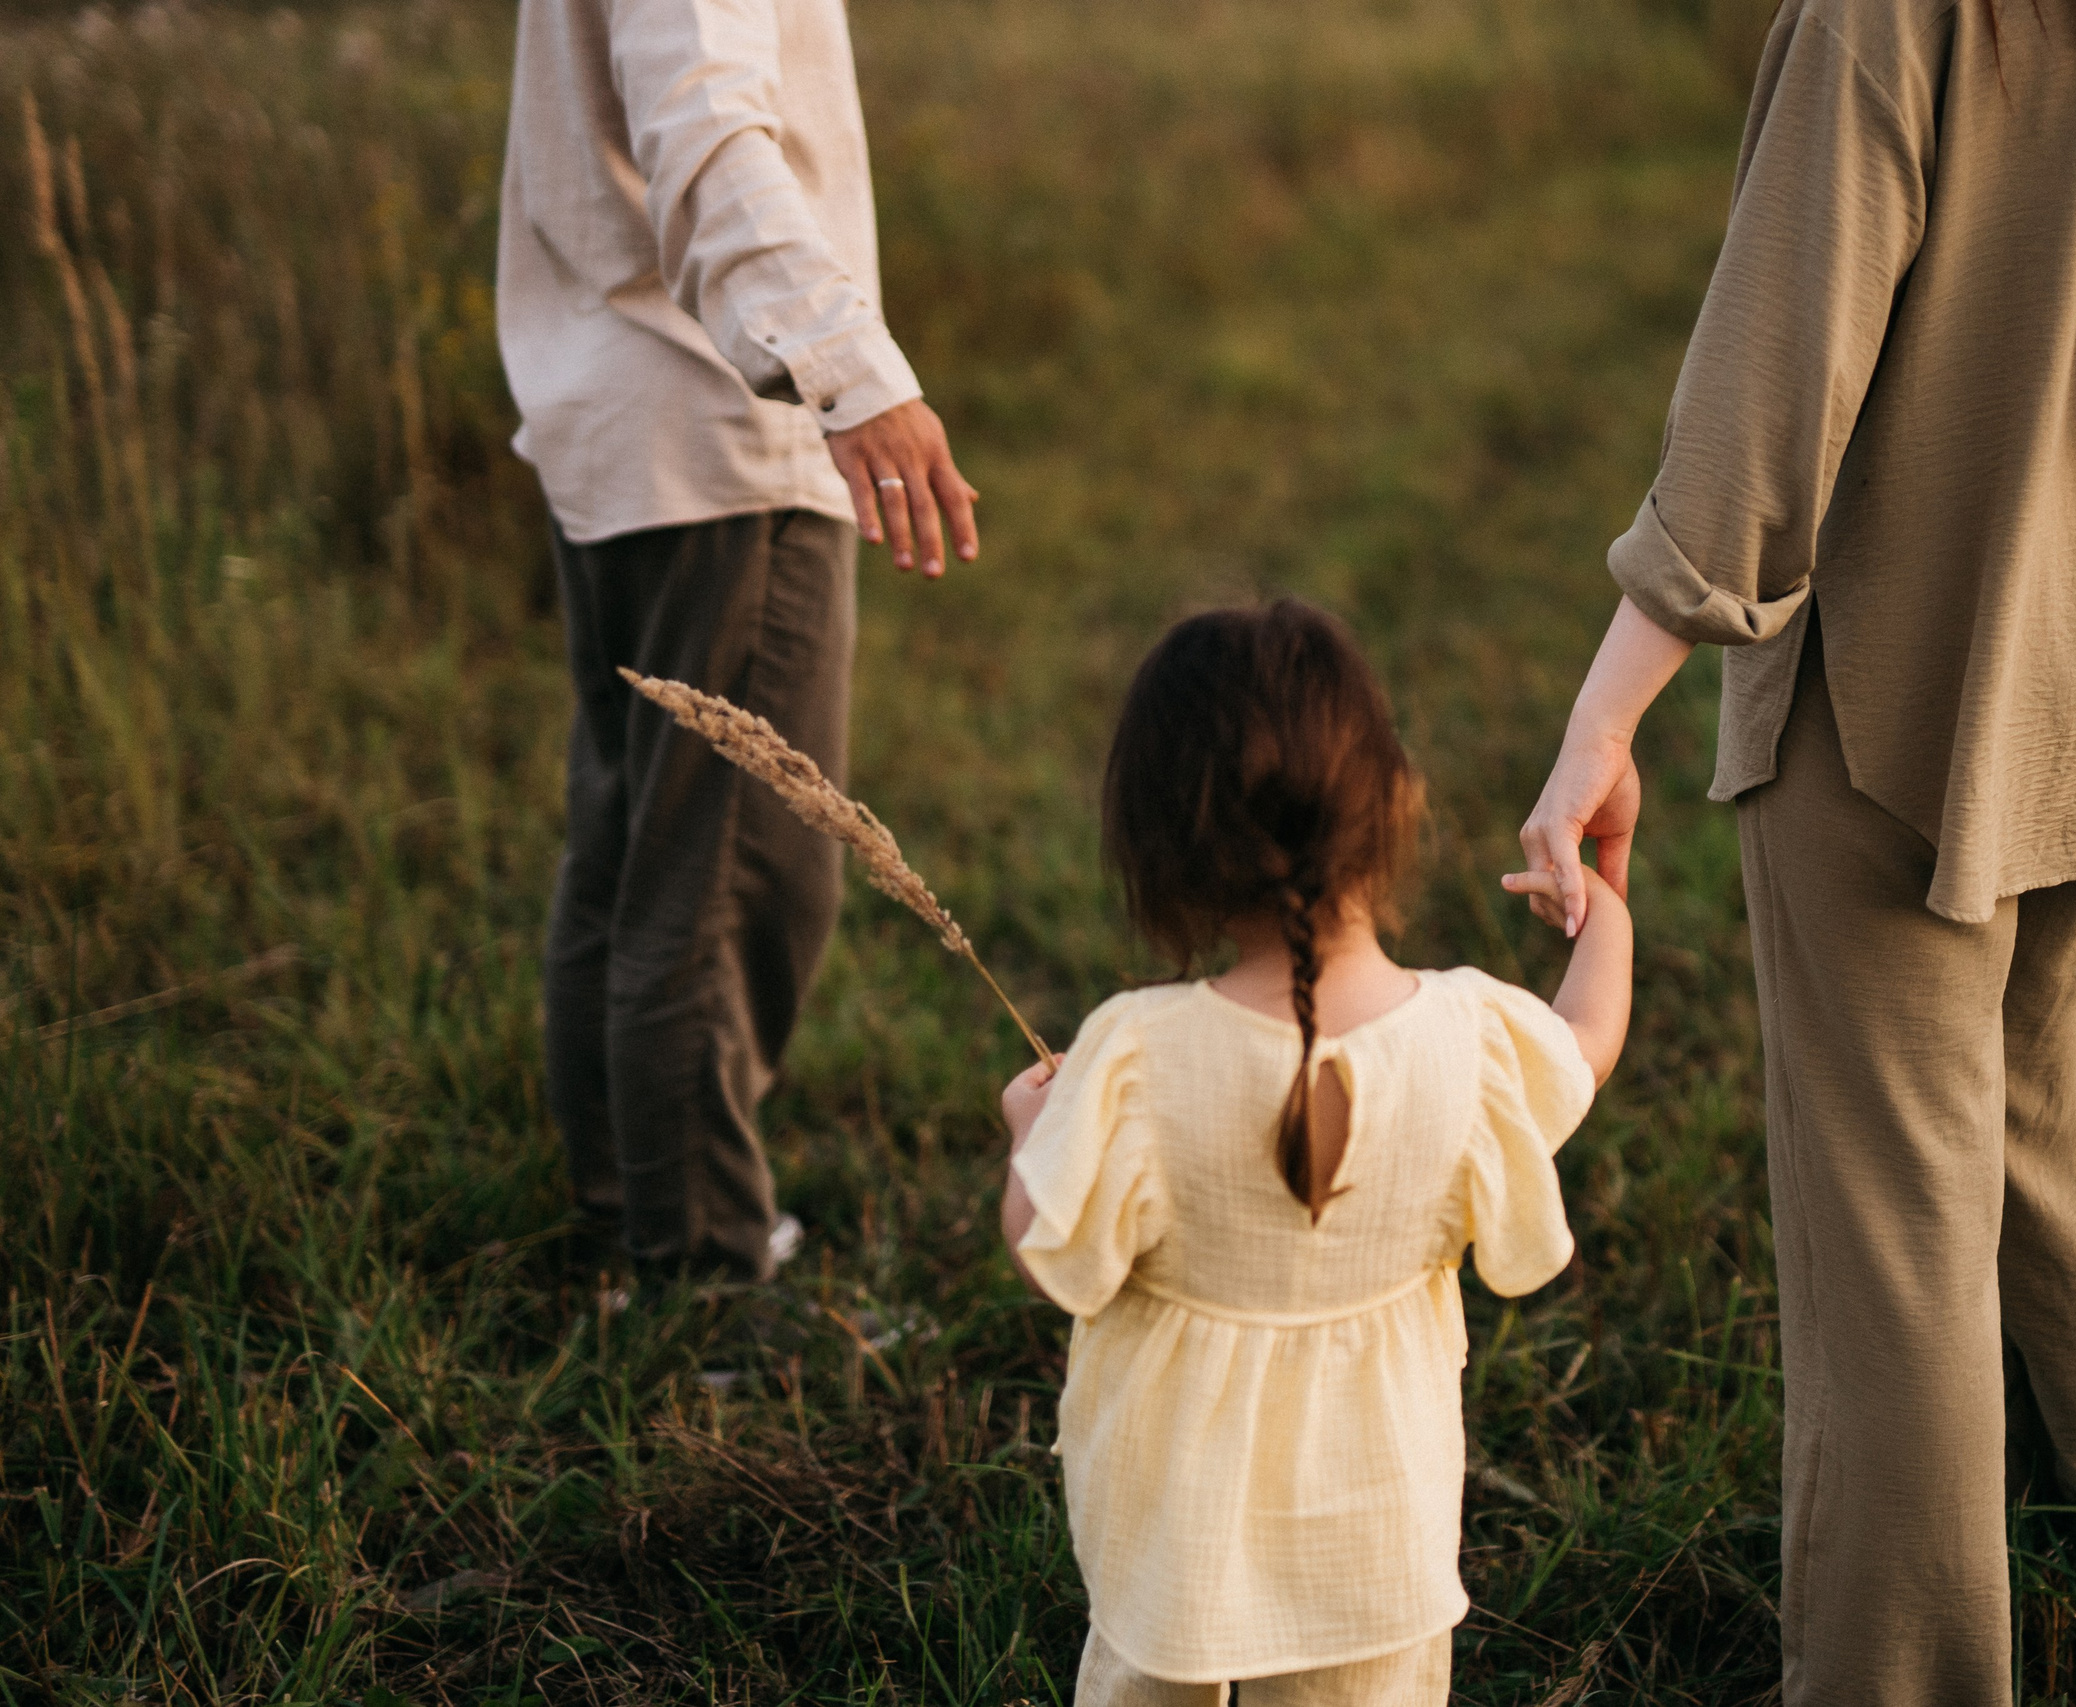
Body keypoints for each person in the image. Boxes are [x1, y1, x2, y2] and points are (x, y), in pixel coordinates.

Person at [1514, 0, 2076, 1698]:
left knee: (1892, 1232)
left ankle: (1905, 1676)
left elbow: (1767, 392)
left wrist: (1604, 719)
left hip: (1910, 686)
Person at [994, 600, 1633, 1704]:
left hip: (1167, 1545)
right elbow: (1583, 1045)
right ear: (1391, 806)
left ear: (1156, 847)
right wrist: (1606, 892)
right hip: (1377, 1543)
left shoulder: (1135, 1055)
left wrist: (1026, 1137)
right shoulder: (1470, 1041)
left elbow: (1048, 1249)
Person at [497, 0, 981, 1279]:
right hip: (718, 429)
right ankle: (704, 1275)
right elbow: (705, 120)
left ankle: (632, 1221)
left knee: (631, 852)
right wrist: (849, 372)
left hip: (625, 417)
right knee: (727, 879)